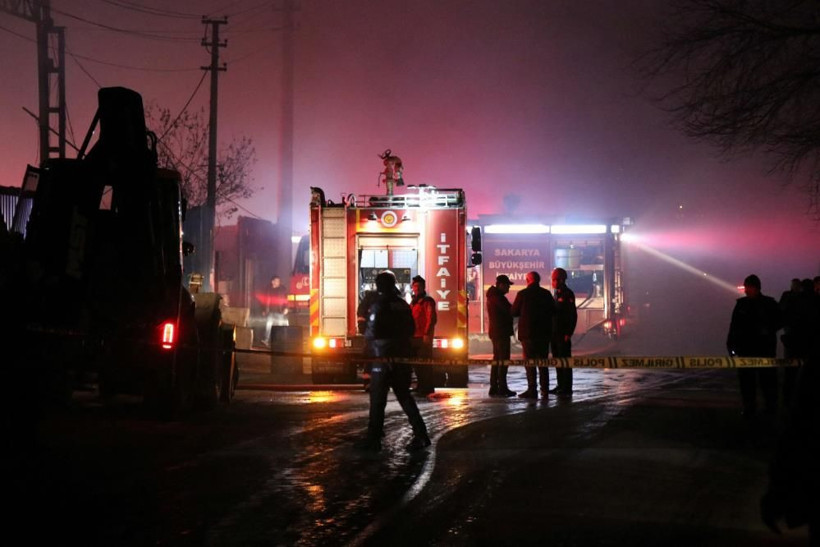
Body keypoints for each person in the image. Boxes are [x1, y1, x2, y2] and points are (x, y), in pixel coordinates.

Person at [358, 271, 431, 452]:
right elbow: (411, 328)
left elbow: (370, 333)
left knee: (377, 400)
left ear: (379, 285)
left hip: (382, 357)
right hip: (401, 358)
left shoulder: (378, 305)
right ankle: (421, 435)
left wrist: (368, 356)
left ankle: (373, 440)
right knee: (405, 397)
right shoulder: (403, 304)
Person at [726, 274, 781, 418]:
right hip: (749, 350)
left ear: (755, 288)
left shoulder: (768, 304)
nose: (745, 290)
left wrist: (767, 330)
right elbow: (734, 326)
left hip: (762, 350)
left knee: (766, 382)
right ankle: (752, 408)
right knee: (748, 382)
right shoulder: (744, 304)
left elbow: (780, 320)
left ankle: (768, 409)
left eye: (747, 287)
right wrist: (731, 344)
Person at [511, 271, 555, 399]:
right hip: (543, 334)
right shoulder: (546, 294)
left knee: (530, 363)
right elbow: (553, 311)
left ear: (527, 280)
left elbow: (514, 312)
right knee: (543, 363)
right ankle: (544, 390)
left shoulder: (522, 294)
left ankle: (532, 389)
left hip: (528, 334)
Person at [549, 267, 577, 395]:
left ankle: (567, 387)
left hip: (563, 333)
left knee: (565, 361)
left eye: (554, 280)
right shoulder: (557, 293)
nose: (552, 282)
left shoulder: (568, 294)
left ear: (561, 280)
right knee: (557, 360)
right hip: (554, 333)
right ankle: (560, 385)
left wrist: (569, 333)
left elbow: (572, 315)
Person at [486, 274, 516, 397]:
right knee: (503, 360)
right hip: (501, 332)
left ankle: (494, 387)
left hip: (497, 332)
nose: (509, 288)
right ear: (501, 285)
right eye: (507, 285)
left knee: (497, 360)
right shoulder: (497, 297)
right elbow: (510, 310)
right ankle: (501, 388)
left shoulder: (494, 296)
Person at [410, 275, 437, 396]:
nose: (417, 288)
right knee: (417, 364)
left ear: (423, 287)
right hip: (414, 336)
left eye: (419, 286)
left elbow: (431, 318)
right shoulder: (414, 302)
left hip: (423, 337)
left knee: (425, 364)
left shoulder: (427, 301)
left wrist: (427, 334)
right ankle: (421, 385)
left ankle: (427, 387)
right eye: (415, 286)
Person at [262, 275, 288, 346]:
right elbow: (264, 300)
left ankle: (278, 342)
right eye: (276, 281)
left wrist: (286, 308)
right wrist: (264, 310)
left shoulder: (283, 289)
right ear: (272, 281)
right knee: (268, 326)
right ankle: (266, 340)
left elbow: (286, 300)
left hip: (279, 311)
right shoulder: (268, 289)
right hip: (270, 312)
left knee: (279, 327)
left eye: (278, 281)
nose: (278, 282)